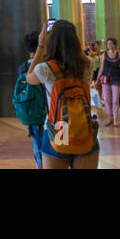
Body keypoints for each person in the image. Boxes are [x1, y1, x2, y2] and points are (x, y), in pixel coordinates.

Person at [25, 19, 98, 169]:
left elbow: (29, 78)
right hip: (83, 126)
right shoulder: (88, 64)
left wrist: (41, 46)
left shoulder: (45, 69)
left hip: (58, 127)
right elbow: (84, 57)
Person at [20, 31, 45, 168]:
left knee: (36, 140)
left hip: (31, 109)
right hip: (45, 110)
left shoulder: (23, 67)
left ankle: (39, 165)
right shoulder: (43, 67)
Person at [94, 38, 120, 128]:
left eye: (110, 43)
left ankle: (115, 119)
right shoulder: (103, 55)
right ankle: (110, 117)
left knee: (115, 100)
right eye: (108, 44)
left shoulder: (119, 55)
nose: (108, 45)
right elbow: (101, 68)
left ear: (115, 44)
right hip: (105, 79)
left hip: (116, 78)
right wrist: (97, 80)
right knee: (106, 99)